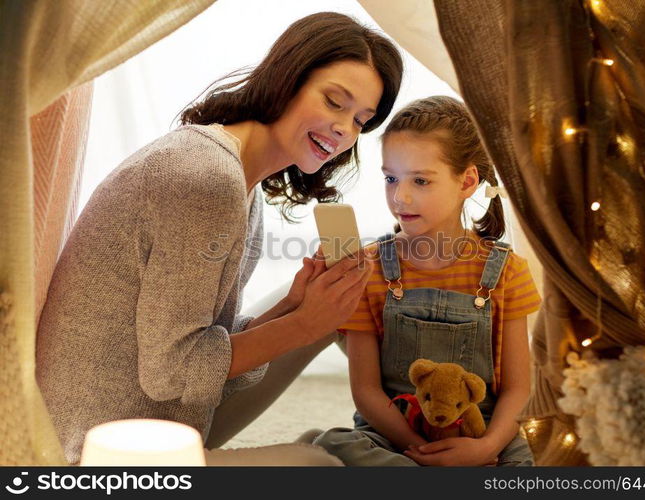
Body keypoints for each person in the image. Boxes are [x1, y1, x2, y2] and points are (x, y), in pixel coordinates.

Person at [35, 12, 403, 465]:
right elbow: (172, 372)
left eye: (362, 120)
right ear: (286, 80)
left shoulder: (243, 181)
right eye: (333, 102)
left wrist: (294, 308)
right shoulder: (204, 178)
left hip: (163, 415)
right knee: (320, 466)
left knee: (325, 308)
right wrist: (302, 323)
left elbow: (203, 340)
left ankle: (414, 421)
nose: (346, 129)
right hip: (102, 448)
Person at [312, 96, 542, 466]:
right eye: (391, 178)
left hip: (477, 431)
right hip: (394, 433)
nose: (400, 196)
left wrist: (484, 448)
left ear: (467, 181)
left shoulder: (507, 271)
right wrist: (419, 450)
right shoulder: (367, 267)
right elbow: (367, 392)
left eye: (420, 180)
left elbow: (518, 390)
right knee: (332, 446)